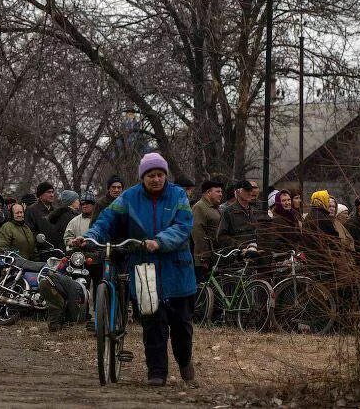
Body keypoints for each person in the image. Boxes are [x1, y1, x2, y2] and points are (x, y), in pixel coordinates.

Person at [73, 152, 196, 388]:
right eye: (151, 175)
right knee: (152, 322)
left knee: (181, 325)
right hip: (145, 269)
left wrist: (160, 241)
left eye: (160, 175)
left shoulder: (178, 195)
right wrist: (89, 237)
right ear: (143, 177)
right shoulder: (128, 197)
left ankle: (184, 361)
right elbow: (106, 220)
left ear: (165, 176)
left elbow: (183, 226)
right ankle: (157, 372)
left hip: (177, 271)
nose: (156, 179)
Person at [191, 180, 223, 280]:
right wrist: (203, 258)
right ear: (208, 193)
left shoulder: (215, 208)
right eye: (218, 192)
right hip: (204, 259)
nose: (221, 194)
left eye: (221, 192)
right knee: (204, 289)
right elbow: (198, 234)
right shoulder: (199, 207)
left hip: (215, 256)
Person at [216, 180, 258, 249]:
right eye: (246, 190)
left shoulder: (255, 210)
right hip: (238, 255)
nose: (250, 193)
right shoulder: (229, 211)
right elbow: (221, 237)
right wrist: (241, 246)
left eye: (250, 190)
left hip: (256, 252)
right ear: (238, 192)